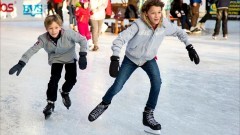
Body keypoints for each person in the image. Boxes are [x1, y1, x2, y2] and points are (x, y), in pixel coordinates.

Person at [87, 0, 200, 134]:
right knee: (118, 85)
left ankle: (148, 114)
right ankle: (104, 104)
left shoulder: (164, 25)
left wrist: (189, 47)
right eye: (153, 13)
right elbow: (120, 39)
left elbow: (180, 32)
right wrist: (115, 58)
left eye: (159, 12)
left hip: (148, 59)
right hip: (131, 59)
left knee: (157, 83)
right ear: (146, 13)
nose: (157, 16)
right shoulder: (138, 25)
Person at [8, 15, 88, 119]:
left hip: (70, 57)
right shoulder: (43, 39)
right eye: (50, 28)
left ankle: (64, 92)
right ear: (46, 29)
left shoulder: (69, 33)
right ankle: (50, 103)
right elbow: (32, 49)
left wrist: (83, 55)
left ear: (60, 27)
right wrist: (22, 62)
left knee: (71, 79)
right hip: (56, 59)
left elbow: (83, 40)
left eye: (56, 27)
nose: (54, 31)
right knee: (53, 80)